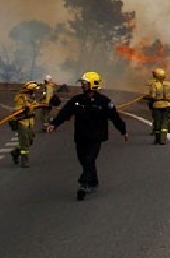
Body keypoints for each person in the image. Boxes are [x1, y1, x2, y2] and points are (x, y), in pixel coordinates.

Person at [45, 71, 128, 200]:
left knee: (89, 159)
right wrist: (54, 124)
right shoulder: (77, 100)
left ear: (93, 84)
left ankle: (84, 183)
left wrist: (123, 130)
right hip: (81, 136)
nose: (82, 85)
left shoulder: (104, 101)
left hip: (96, 137)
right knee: (83, 160)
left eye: (85, 83)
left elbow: (114, 117)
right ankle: (94, 181)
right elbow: (65, 113)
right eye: (83, 83)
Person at [10, 81, 41, 168]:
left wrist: (44, 105)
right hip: (23, 122)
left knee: (29, 142)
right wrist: (24, 110)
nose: (34, 92)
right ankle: (24, 161)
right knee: (24, 144)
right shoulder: (20, 97)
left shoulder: (31, 97)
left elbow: (34, 106)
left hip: (30, 123)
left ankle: (16, 152)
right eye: (33, 90)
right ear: (29, 90)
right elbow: (17, 110)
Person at [145, 67, 170, 145]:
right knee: (164, 122)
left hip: (157, 106)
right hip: (167, 105)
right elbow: (169, 96)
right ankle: (163, 139)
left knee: (157, 122)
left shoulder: (154, 84)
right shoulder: (168, 84)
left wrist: (147, 97)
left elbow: (153, 96)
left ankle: (157, 139)